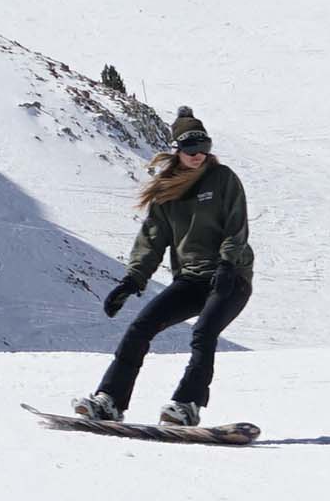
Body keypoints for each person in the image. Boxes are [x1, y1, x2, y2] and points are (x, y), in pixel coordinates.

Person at [75, 108, 254, 429]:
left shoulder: (222, 178)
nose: (198, 154)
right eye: (190, 148)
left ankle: (187, 405)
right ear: (177, 150)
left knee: (204, 332)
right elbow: (152, 239)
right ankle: (109, 400)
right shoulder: (166, 191)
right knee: (140, 328)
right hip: (191, 280)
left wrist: (228, 263)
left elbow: (236, 225)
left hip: (230, 277)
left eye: (204, 147)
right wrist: (132, 280)